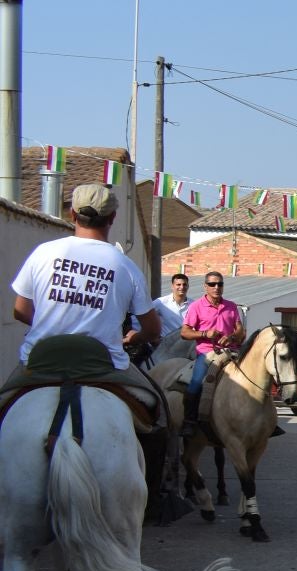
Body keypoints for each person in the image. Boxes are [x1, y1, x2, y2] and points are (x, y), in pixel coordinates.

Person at [6, 185, 165, 504]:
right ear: (113, 218)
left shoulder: (44, 253)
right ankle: (154, 502)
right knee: (158, 413)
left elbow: (21, 309)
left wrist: (50, 324)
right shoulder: (125, 265)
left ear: (72, 214)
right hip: (104, 366)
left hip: (41, 360)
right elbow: (152, 328)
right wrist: (135, 336)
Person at [180, 270, 245, 438]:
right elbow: (185, 332)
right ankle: (189, 421)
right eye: (212, 284)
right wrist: (204, 334)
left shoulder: (231, 306)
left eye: (220, 284)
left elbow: (240, 331)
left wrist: (231, 336)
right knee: (196, 383)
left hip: (232, 351)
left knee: (255, 377)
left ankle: (262, 420)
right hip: (207, 353)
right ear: (205, 287)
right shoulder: (196, 306)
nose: (216, 287)